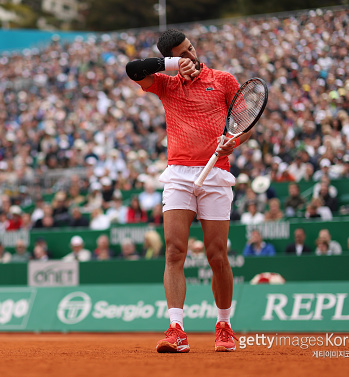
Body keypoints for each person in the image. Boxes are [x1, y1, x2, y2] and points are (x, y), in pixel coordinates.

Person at [126, 29, 252, 353]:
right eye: (183, 54)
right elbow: (132, 69)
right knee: (173, 251)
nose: (192, 57)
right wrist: (170, 66)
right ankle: (176, 329)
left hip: (216, 173)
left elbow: (245, 125)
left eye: (191, 49)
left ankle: (224, 325)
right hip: (178, 174)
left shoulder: (223, 80)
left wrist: (233, 143)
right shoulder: (165, 84)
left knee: (216, 255)